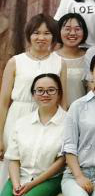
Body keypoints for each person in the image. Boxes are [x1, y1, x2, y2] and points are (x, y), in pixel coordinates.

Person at [1, 15, 64, 151]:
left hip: (48, 118)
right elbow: (3, 102)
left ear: (53, 36)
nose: (41, 37)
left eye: (47, 33)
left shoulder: (60, 62)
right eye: (36, 33)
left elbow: (63, 100)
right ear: (29, 35)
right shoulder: (15, 62)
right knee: (14, 158)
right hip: (18, 114)